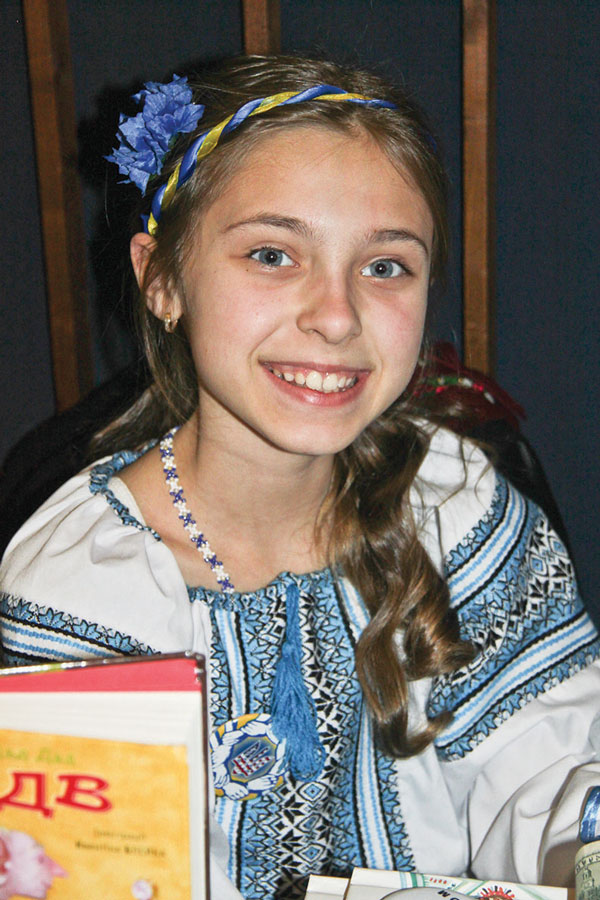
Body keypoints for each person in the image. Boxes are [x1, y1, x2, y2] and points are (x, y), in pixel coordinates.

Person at [0, 55, 599, 900]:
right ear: (162, 278)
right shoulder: (83, 586)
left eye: (385, 265)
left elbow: (550, 760)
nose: (336, 315)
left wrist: (585, 850)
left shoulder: (458, 512)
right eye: (273, 254)